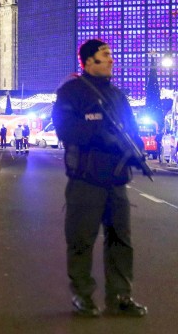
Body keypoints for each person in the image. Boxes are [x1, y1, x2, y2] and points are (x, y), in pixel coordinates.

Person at [52, 39, 147, 318]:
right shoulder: (71, 92)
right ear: (89, 62)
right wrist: (98, 133)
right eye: (105, 56)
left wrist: (136, 150)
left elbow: (131, 128)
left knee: (121, 240)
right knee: (81, 240)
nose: (111, 60)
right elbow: (65, 130)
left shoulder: (118, 96)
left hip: (116, 181)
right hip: (85, 180)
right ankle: (83, 296)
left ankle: (120, 296)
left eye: (110, 55)